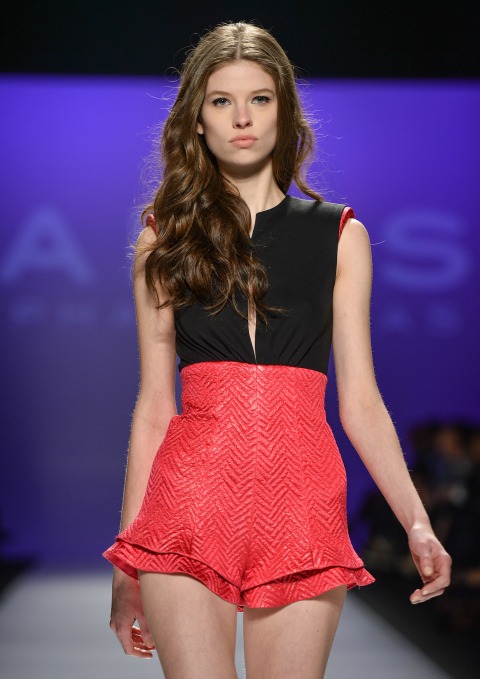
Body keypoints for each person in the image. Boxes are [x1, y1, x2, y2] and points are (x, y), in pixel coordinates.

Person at [103, 20, 452, 678]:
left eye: (259, 99)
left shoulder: (340, 237)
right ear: (198, 119)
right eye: (222, 100)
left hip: (302, 503)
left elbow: (361, 401)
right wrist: (128, 560)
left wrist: (417, 522)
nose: (242, 118)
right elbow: (153, 407)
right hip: (189, 500)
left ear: (284, 111)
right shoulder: (164, 240)